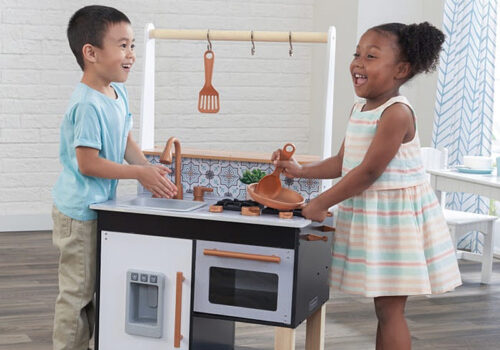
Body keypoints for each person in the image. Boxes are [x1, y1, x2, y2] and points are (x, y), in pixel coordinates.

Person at [272, 22, 462, 350]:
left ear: (401, 69)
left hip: (395, 221)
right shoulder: (359, 109)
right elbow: (343, 163)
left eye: (371, 56)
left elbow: (369, 171)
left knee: (390, 309)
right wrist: (301, 170)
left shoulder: (397, 113)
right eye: (357, 54)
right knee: (383, 308)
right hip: (375, 215)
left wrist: (322, 203)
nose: (358, 62)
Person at [51, 5, 177, 350]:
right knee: (77, 294)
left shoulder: (116, 92)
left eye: (132, 45)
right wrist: (140, 172)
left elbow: (123, 141)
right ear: (90, 53)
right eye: (123, 45)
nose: (131, 55)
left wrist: (151, 172)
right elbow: (88, 164)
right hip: (78, 214)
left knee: (94, 286)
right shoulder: (87, 104)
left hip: (98, 206)